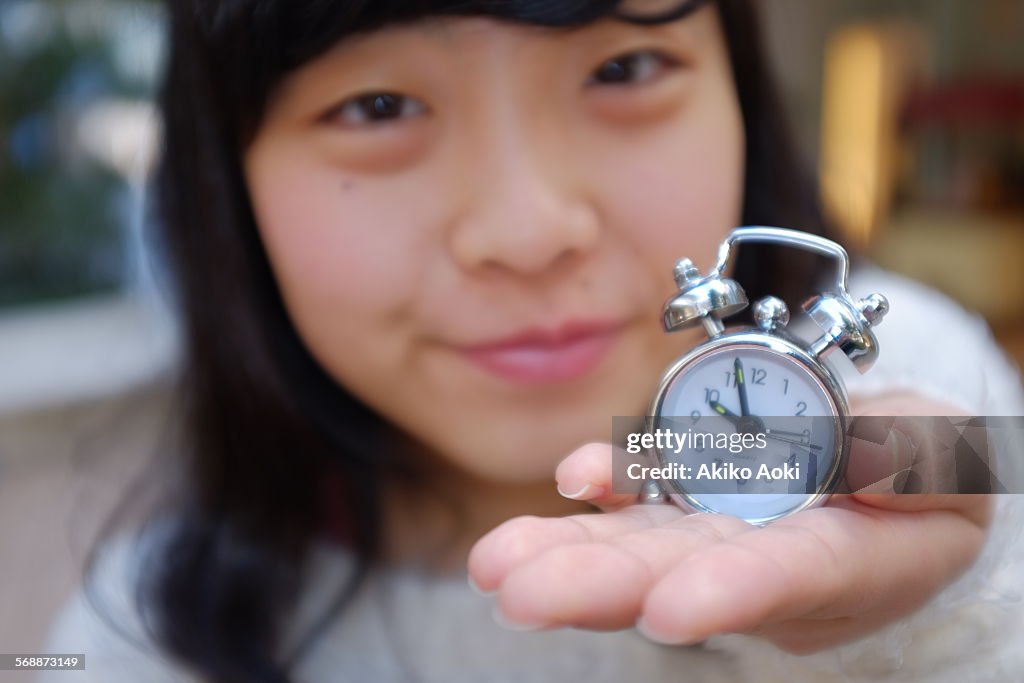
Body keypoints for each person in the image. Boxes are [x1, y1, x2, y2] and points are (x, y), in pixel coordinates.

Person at [45, 0, 1024, 681]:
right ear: (227, 188)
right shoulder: (141, 628)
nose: (526, 231)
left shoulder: (927, 371)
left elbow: (988, 485)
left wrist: (935, 621)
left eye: (624, 66)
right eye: (376, 106)